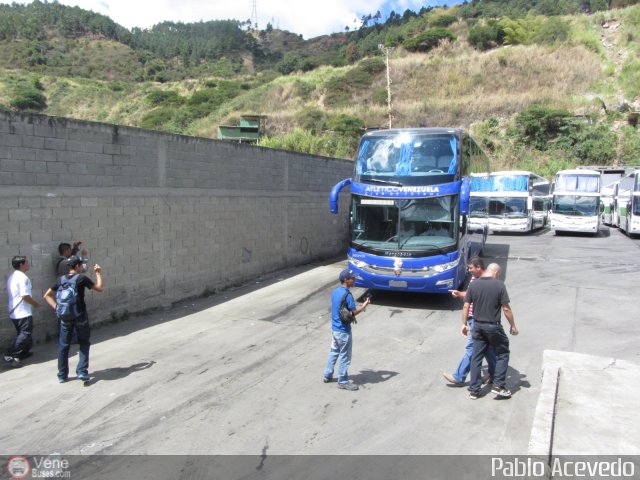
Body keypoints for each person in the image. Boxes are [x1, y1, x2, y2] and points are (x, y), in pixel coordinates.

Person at [43, 256, 103, 383]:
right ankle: (82, 371)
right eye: (81, 265)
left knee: (64, 345)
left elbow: (46, 295)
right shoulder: (82, 278)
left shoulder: (60, 279)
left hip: (65, 317)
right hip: (80, 316)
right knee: (84, 343)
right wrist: (98, 273)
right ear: (76, 266)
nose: (82, 267)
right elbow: (99, 288)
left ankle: (62, 375)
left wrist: (57, 308)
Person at [463, 263, 519, 400]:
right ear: (496, 273)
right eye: (498, 274)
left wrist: (464, 324)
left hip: (477, 326)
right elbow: (506, 309)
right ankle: (499, 386)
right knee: (503, 353)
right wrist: (513, 325)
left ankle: (474, 390)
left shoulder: (474, 285)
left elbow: (466, 305)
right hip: (493, 326)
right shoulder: (499, 285)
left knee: (476, 357)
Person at [443, 257, 496, 386]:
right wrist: (460, 293)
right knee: (488, 349)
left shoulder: (487, 281)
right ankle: (496, 375)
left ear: (479, 267)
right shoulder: (474, 279)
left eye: (471, 268)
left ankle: (459, 376)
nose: (469, 270)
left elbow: (470, 302)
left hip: (479, 320)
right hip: (477, 319)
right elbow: (469, 295)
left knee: (472, 348)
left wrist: (464, 323)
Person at [323, 269, 371, 391]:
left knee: (334, 351)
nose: (354, 280)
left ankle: (327, 374)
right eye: (352, 278)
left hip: (335, 329)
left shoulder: (335, 292)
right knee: (345, 356)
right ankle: (343, 381)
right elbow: (354, 312)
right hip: (343, 330)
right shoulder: (348, 295)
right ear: (346, 280)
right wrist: (364, 305)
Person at [4, 256, 41, 367]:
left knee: (22, 333)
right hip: (22, 311)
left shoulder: (13, 276)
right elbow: (24, 295)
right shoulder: (22, 277)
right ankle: (9, 355)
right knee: (25, 333)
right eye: (26, 262)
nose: (28, 264)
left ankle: (23, 352)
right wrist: (35, 304)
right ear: (21, 264)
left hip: (15, 310)